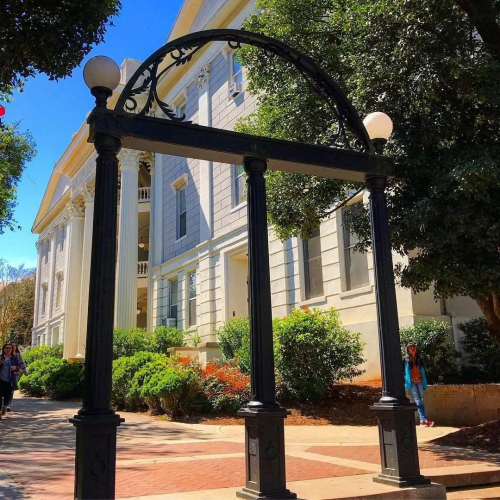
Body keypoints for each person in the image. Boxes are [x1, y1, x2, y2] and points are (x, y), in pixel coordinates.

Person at [404, 341, 434, 427]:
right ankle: (423, 420)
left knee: (421, 400)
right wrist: (405, 379)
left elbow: (422, 371)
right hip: (412, 382)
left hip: (419, 381)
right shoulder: (406, 359)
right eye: (410, 347)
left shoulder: (419, 359)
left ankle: (423, 420)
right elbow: (404, 371)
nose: (412, 348)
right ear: (408, 350)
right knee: (418, 400)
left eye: (414, 347)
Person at [6, 342, 28, 412]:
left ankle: (8, 405)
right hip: (7, 374)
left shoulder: (18, 355)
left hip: (15, 374)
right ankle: (4, 403)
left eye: (15, 346)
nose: (14, 347)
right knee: (6, 389)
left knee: (11, 390)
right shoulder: (7, 355)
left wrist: (25, 371)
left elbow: (21, 363)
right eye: (12, 346)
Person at [0, 343, 16, 418]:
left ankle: (5, 406)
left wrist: (15, 367)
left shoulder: (14, 358)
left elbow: (19, 366)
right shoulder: (0, 357)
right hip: (1, 380)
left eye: (10, 348)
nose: (8, 349)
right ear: (4, 349)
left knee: (8, 396)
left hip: (10, 381)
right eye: (7, 348)